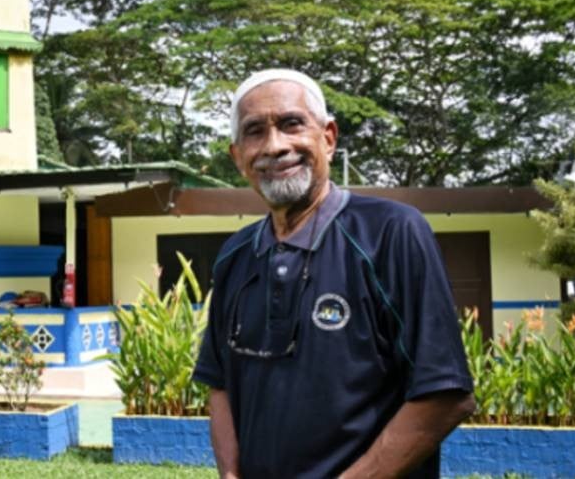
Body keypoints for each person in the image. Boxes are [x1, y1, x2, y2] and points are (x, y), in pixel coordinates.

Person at [193, 69, 475, 478]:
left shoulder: (392, 233)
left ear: (328, 137)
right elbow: (219, 385)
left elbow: (446, 395)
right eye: (255, 131)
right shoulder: (234, 255)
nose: (275, 146)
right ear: (238, 157)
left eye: (292, 124)